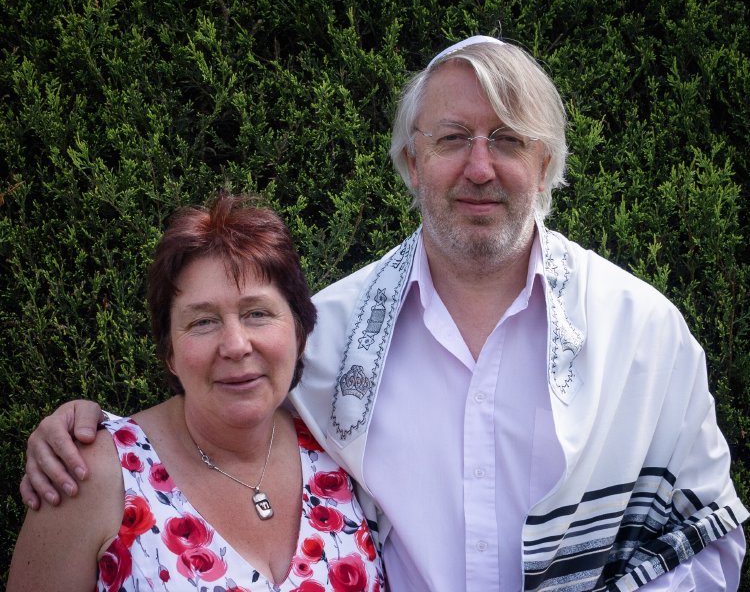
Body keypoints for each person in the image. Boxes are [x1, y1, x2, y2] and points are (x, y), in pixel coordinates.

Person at [19, 36, 747, 591]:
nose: (481, 167)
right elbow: (219, 425)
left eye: (510, 140)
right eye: (453, 138)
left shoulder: (645, 335)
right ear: (409, 162)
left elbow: (709, 538)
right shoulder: (328, 338)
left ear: (549, 163)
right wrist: (84, 432)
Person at [8, 195, 385, 591]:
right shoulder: (87, 476)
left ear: (298, 328)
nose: (236, 345)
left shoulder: (341, 443)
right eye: (203, 321)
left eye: (257, 313)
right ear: (169, 351)